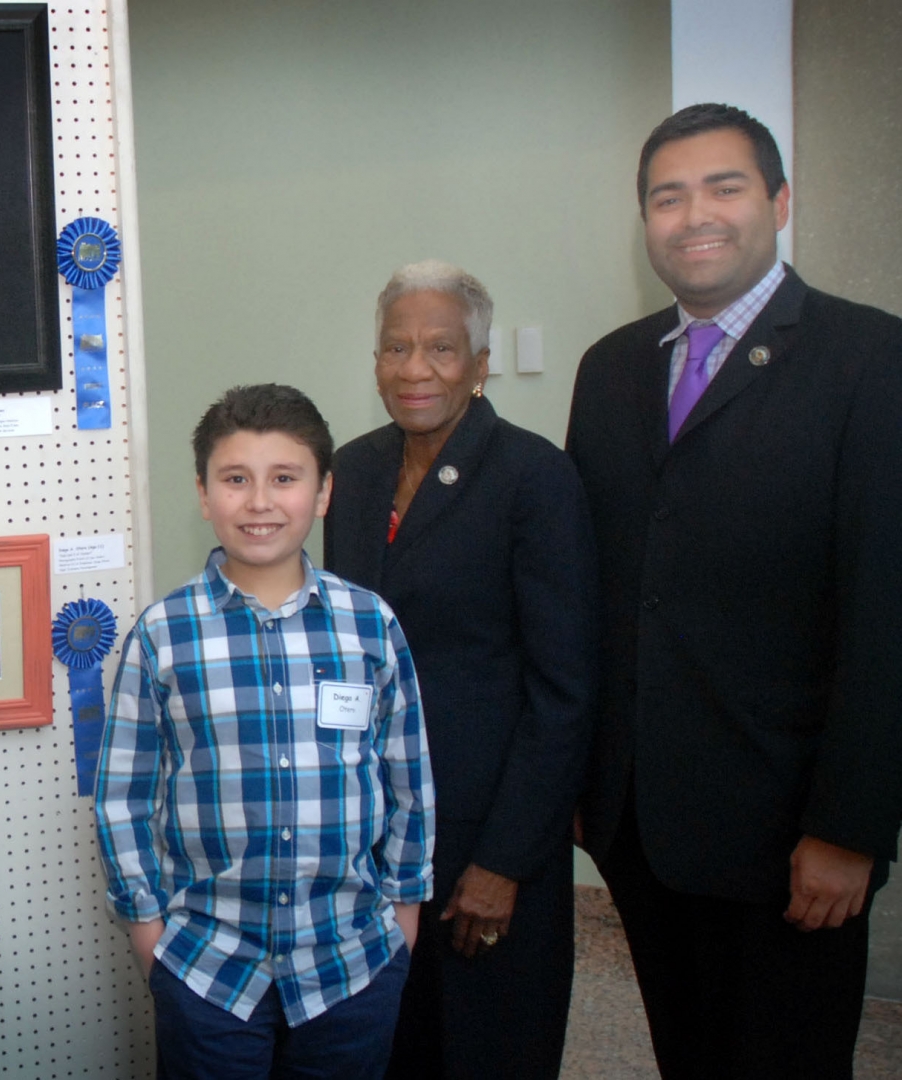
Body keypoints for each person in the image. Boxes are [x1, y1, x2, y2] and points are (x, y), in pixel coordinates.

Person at [566, 103, 902, 1078]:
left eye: (722, 187)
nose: (694, 214)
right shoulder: (607, 371)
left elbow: (896, 621)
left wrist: (847, 829)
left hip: (785, 836)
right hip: (639, 824)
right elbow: (597, 593)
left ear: (776, 202)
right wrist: (583, 777)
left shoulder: (876, 364)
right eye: (665, 195)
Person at [94, 383, 433, 1080]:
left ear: (323, 492)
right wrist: (147, 929)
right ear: (203, 492)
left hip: (350, 961)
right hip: (207, 967)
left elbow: (408, 778)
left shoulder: (369, 625)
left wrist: (404, 916)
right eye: (235, 479)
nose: (259, 502)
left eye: (285, 478)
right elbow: (122, 796)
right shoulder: (163, 634)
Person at [324, 261, 596, 1079]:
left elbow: (566, 689)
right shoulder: (354, 471)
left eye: (441, 348)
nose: (415, 369)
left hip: (489, 835)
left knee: (488, 1047)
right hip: (378, 835)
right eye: (395, 347)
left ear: (480, 365)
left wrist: (506, 861)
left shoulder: (533, 477)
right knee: (393, 1046)